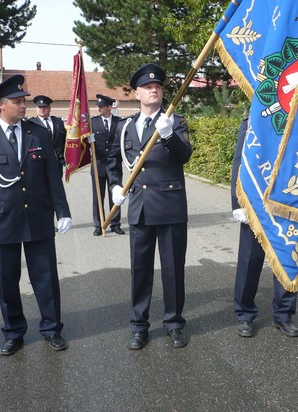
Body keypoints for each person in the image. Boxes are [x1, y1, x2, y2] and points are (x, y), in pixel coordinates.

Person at [0, 75, 73, 356]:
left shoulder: (38, 133)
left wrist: (62, 211)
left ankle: (52, 329)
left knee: (46, 277)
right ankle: (13, 332)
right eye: (17, 101)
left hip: (37, 217)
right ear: (1, 105)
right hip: (1, 222)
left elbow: (52, 176)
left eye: (24, 101)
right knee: (6, 280)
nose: (23, 105)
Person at [107, 63, 192, 350]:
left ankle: (174, 322)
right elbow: (113, 162)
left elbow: (185, 156)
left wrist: (168, 135)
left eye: (157, 86)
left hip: (169, 207)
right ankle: (138, 324)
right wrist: (115, 187)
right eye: (147, 87)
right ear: (137, 93)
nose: (153, 89)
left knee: (172, 270)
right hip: (140, 209)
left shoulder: (175, 121)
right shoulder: (125, 126)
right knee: (140, 270)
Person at [231, 117, 298, 338]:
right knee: (249, 262)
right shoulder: (252, 120)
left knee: (289, 260)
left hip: (290, 202)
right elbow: (240, 161)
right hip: (256, 201)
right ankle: (244, 314)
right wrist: (238, 203)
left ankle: (284, 315)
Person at [90, 94, 124, 236]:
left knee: (115, 195)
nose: (99, 108)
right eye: (98, 106)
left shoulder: (119, 122)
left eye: (102, 106)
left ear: (110, 107)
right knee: (98, 197)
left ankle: (115, 223)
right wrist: (87, 140)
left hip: (114, 163)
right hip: (98, 164)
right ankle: (98, 224)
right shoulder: (93, 123)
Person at [30, 95, 66, 177]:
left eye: (45, 107)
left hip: (57, 163)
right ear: (36, 109)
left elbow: (64, 141)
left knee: (56, 187)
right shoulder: (31, 124)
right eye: (39, 107)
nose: (42, 109)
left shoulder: (58, 122)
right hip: (39, 162)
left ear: (50, 108)